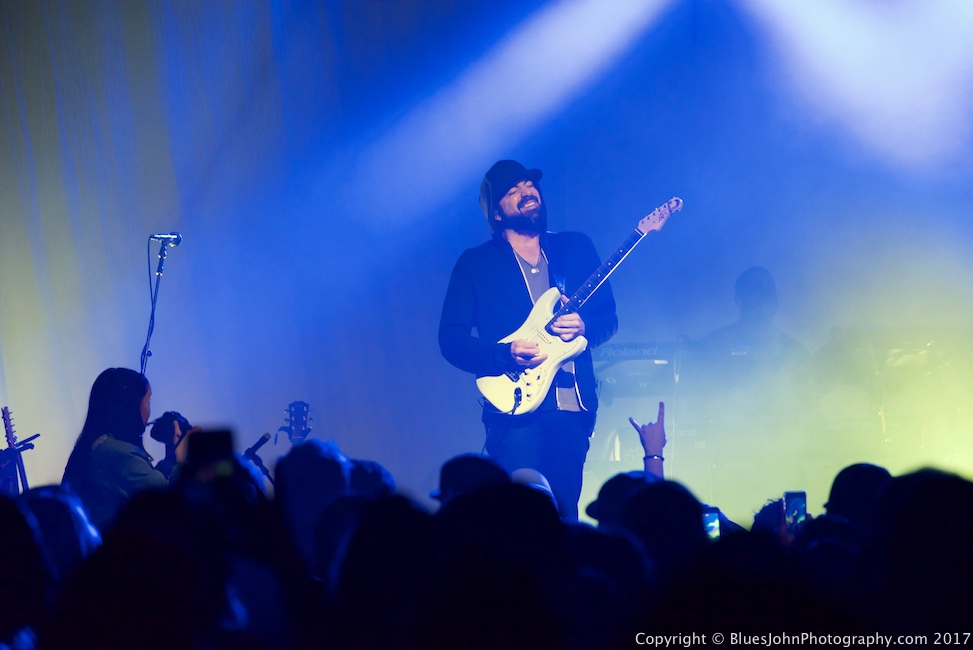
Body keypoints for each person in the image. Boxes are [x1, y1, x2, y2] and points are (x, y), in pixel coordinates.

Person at [439, 160, 618, 520]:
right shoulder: (476, 264)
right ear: (497, 214)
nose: (526, 193)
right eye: (512, 191)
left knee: (566, 517)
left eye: (528, 185)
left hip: (571, 407)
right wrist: (502, 354)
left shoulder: (575, 248)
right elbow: (451, 339)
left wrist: (584, 326)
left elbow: (609, 319)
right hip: (515, 411)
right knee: (519, 520)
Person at [61, 368, 191, 531]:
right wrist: (182, 460)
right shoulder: (121, 454)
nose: (150, 410)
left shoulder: (97, 445)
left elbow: (149, 484)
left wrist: (170, 457)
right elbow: (170, 503)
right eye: (148, 402)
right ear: (130, 407)